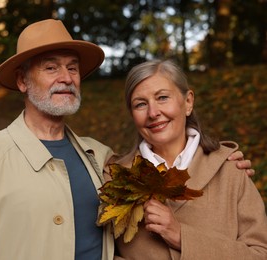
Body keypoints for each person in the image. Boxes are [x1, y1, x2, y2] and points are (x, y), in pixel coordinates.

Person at [0, 19, 253, 259]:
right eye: (51, 67)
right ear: (22, 80)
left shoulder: (102, 158)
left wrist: (219, 164)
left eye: (72, 68)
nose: (66, 78)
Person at [111, 59, 267, 259]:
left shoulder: (230, 170)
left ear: (188, 102)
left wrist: (181, 236)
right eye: (140, 104)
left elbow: (260, 254)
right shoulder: (115, 178)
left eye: (163, 98)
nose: (153, 113)